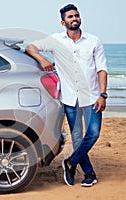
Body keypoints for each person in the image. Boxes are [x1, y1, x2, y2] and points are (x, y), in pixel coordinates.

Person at [25, 4, 108, 187]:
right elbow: (30, 47)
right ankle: (89, 173)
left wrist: (103, 94)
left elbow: (102, 69)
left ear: (80, 18)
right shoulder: (56, 40)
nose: (74, 18)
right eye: (70, 17)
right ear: (63, 22)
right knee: (77, 136)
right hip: (70, 98)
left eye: (76, 15)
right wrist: (43, 59)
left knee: (93, 133)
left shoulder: (94, 41)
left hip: (92, 96)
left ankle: (70, 162)